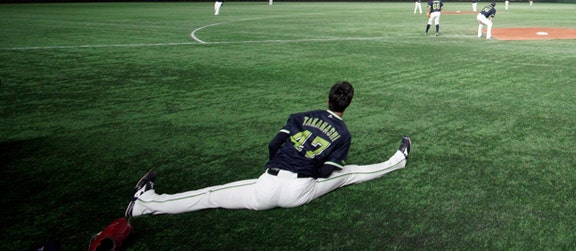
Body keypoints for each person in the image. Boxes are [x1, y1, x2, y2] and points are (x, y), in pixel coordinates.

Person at [123, 82, 411, 217]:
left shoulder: (300, 116)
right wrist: (311, 168)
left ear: (327, 99)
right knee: (349, 173)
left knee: (210, 196)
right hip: (301, 191)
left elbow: (274, 144)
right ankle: (398, 160)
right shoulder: (344, 133)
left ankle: (144, 205)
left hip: (268, 184)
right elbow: (326, 171)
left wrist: (278, 163)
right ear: (348, 105)